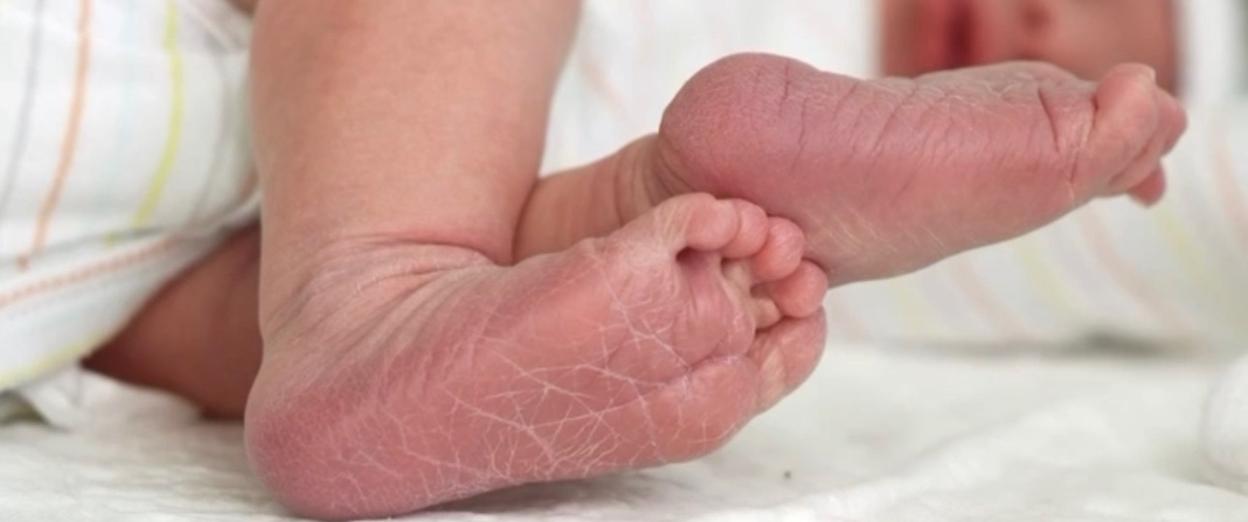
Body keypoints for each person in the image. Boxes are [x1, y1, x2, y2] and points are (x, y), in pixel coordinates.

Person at [0, 0, 1187, 518]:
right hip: (200, 167)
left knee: (394, 265)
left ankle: (398, 289)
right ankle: (592, 224)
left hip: (99, 289)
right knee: (408, 222)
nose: (1039, 19)